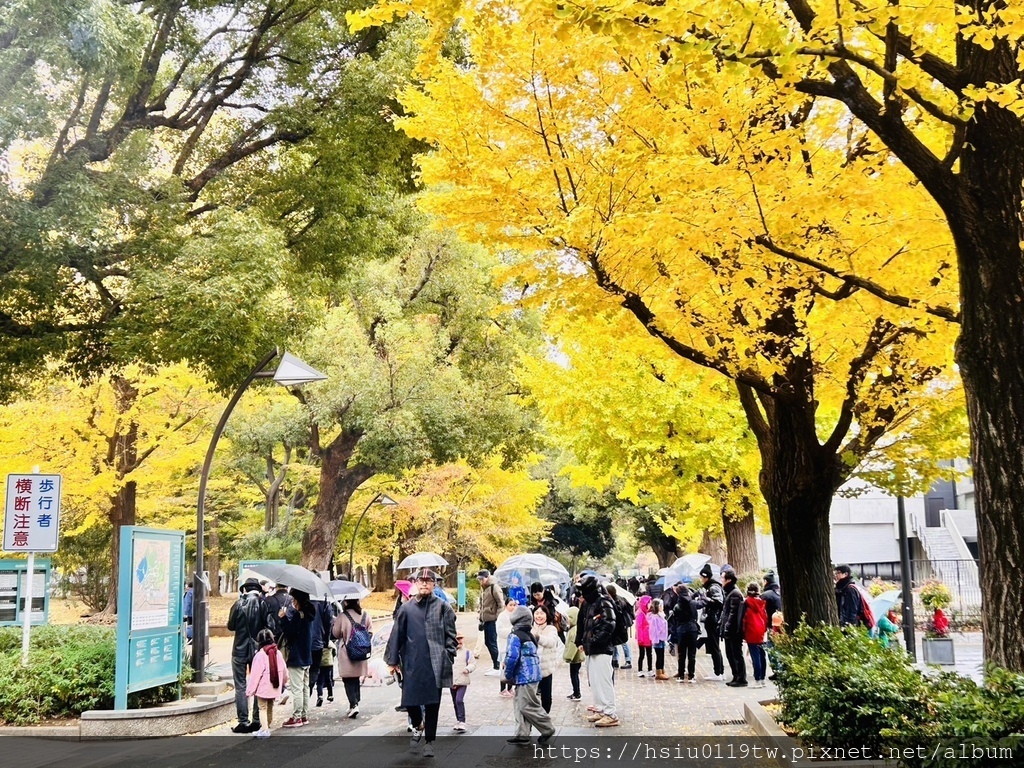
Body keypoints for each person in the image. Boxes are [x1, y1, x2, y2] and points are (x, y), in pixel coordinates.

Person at [385, 568, 458, 758]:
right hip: (412, 662)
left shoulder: (443, 607)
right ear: (415, 584)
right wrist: (393, 660)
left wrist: (448, 655)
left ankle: (429, 742)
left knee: (433, 703)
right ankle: (417, 724)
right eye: (421, 580)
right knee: (409, 701)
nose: (425, 583)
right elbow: (396, 635)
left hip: (435, 663)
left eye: (429, 580)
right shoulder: (407, 608)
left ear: (434, 584)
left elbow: (451, 636)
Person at [227, 578, 274, 733]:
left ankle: (242, 721)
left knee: (240, 686)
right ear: (258, 589)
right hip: (257, 650)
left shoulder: (238, 604)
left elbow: (231, 626)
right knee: (258, 684)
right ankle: (256, 720)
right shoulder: (263, 604)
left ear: (245, 590)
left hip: (239, 649)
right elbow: (270, 626)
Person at [504, 606, 556, 745]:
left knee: (527, 705)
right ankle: (522, 733)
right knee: (519, 704)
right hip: (534, 675)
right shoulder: (530, 634)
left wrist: (508, 675)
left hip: (524, 676)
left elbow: (511, 657)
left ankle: (547, 728)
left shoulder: (515, 635)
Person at [577, 575, 619, 727]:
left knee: (603, 681)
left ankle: (610, 713)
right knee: (595, 681)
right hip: (592, 648)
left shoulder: (603, 602)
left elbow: (609, 624)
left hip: (601, 648)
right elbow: (581, 623)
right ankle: (601, 708)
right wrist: (581, 641)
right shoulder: (589, 603)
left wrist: (594, 640)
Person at [278, 588, 315, 727]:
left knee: (297, 688)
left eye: (294, 599)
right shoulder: (308, 615)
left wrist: (283, 618)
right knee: (304, 687)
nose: (292, 602)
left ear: (298, 601)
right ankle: (304, 714)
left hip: (297, 656)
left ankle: (297, 716)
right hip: (306, 655)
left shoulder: (298, 616)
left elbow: (290, 633)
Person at [333, 597, 373, 718]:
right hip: (361, 651)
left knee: (348, 679)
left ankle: (354, 704)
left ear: (345, 602)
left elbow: (335, 633)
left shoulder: (342, 616)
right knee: (355, 677)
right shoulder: (365, 615)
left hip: (347, 652)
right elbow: (370, 632)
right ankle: (355, 702)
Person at [245, 628, 289, 739]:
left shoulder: (260, 655)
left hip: (263, 687)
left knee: (262, 708)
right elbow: (284, 670)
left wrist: (250, 690)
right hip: (274, 686)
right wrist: (283, 682)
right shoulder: (277, 652)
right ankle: (267, 725)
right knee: (270, 706)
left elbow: (255, 675)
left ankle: (265, 730)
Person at [697, 564, 726, 681]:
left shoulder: (713, 587)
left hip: (713, 619)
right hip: (712, 619)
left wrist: (705, 598)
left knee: (714, 646)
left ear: (706, 577)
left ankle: (718, 672)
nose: (700, 579)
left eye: (701, 577)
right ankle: (719, 671)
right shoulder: (711, 587)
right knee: (714, 645)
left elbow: (719, 602)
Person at [719, 569, 747, 687]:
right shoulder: (730, 592)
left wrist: (727, 627)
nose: (721, 580)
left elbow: (733, 613)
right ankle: (736, 676)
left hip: (734, 631)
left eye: (723, 578)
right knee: (730, 653)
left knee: (736, 654)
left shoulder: (734, 593)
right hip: (730, 629)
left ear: (729, 579)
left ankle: (741, 677)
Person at [532, 604, 560, 713]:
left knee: (546, 696)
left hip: (546, 669)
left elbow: (551, 642)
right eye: (537, 613)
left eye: (542, 613)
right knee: (531, 695)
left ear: (547, 615)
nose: (539, 616)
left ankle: (545, 716)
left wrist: (537, 637)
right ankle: (534, 716)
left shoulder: (551, 629)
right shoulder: (530, 628)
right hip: (532, 668)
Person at [670, 583, 700, 683]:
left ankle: (681, 675)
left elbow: (674, 619)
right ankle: (691, 675)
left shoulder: (677, 605)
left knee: (681, 654)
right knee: (692, 654)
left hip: (681, 630)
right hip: (692, 629)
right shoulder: (692, 603)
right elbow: (701, 604)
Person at [740, 582, 768, 688]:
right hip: (761, 630)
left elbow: (744, 619)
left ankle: (757, 679)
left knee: (755, 655)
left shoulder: (747, 603)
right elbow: (765, 618)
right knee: (762, 655)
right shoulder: (761, 603)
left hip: (751, 630)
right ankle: (762, 678)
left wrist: (743, 632)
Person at [477, 569, 504, 675]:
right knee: (488, 642)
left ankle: (498, 666)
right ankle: (496, 665)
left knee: (491, 642)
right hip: (486, 619)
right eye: (479, 579)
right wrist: (480, 618)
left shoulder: (494, 587)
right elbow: (482, 605)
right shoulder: (483, 589)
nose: (480, 581)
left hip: (493, 619)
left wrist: (498, 618)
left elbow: (501, 604)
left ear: (487, 577)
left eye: (482, 579)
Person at [310, 598, 335, 707]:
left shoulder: (302, 599)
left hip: (304, 643)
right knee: (320, 675)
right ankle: (312, 692)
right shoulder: (323, 602)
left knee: (313, 675)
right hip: (319, 643)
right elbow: (329, 621)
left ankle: (314, 694)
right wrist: (326, 640)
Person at [450, 632, 475, 731]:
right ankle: (458, 720)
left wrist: (468, 669)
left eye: (460, 639)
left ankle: (462, 721)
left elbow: (472, 663)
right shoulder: (449, 652)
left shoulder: (467, 652)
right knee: (455, 702)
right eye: (457, 639)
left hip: (463, 681)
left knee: (459, 700)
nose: (459, 641)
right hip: (452, 681)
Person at [605, 584, 633, 670]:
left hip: (621, 624)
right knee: (615, 642)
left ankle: (628, 660)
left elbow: (618, 613)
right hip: (617, 624)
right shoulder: (616, 599)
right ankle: (615, 660)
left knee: (623, 642)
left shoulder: (618, 601)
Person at [496, 598, 518, 697]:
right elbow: (500, 631)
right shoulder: (502, 616)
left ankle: (510, 688)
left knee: (512, 666)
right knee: (504, 667)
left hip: (513, 645)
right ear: (506, 606)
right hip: (504, 645)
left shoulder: (516, 615)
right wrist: (512, 630)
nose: (513, 607)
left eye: (514, 605)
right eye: (510, 605)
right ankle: (502, 689)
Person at [563, 605, 585, 700]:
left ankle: (577, 693)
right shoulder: (575, 628)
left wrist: (568, 657)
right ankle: (576, 692)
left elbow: (572, 646)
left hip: (575, 658)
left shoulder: (573, 631)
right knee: (574, 674)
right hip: (577, 657)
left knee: (574, 675)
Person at [648, 598, 669, 680]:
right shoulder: (654, 617)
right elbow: (654, 630)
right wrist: (655, 639)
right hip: (657, 639)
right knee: (659, 656)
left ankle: (662, 669)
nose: (662, 607)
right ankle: (658, 672)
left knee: (662, 655)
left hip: (662, 639)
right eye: (661, 606)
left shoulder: (661, 615)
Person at [634, 595, 653, 677]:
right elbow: (639, 627)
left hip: (648, 637)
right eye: (649, 603)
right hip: (643, 638)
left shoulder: (647, 613)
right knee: (642, 654)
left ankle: (650, 669)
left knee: (649, 654)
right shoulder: (640, 614)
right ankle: (640, 670)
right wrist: (640, 639)